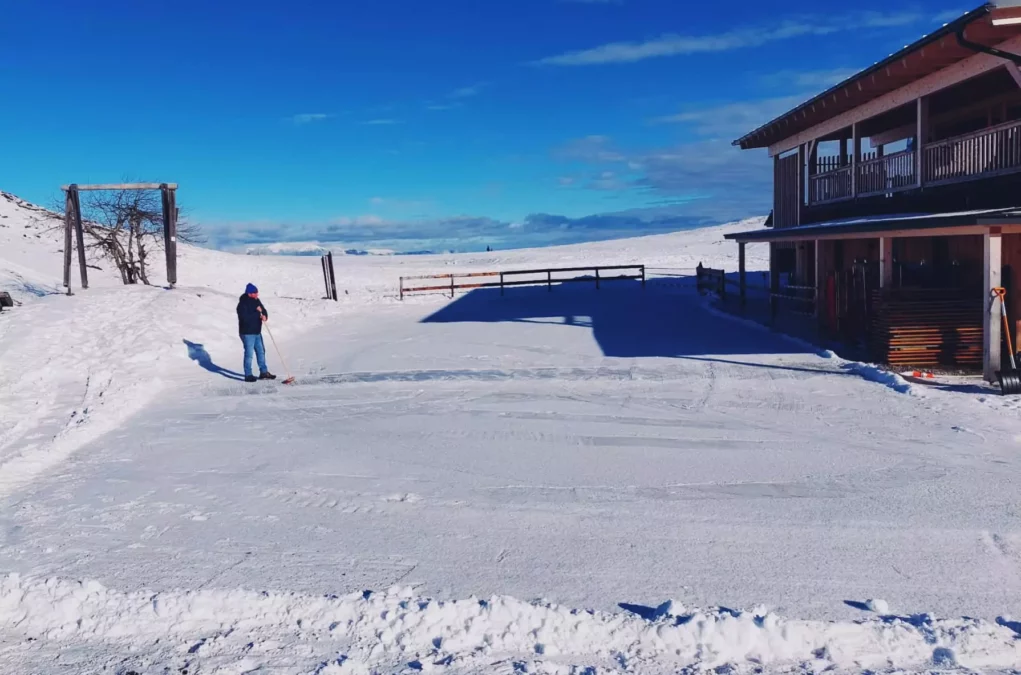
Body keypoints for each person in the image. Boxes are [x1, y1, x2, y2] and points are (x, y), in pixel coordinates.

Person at [236, 283, 276, 383]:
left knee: (261, 351)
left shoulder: (256, 300)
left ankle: (263, 372)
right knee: (249, 354)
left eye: (257, 292)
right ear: (249, 293)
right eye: (255, 293)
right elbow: (245, 318)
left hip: (257, 331)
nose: (257, 294)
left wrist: (265, 316)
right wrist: (257, 313)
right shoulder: (242, 304)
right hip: (247, 333)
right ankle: (248, 375)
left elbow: (263, 310)